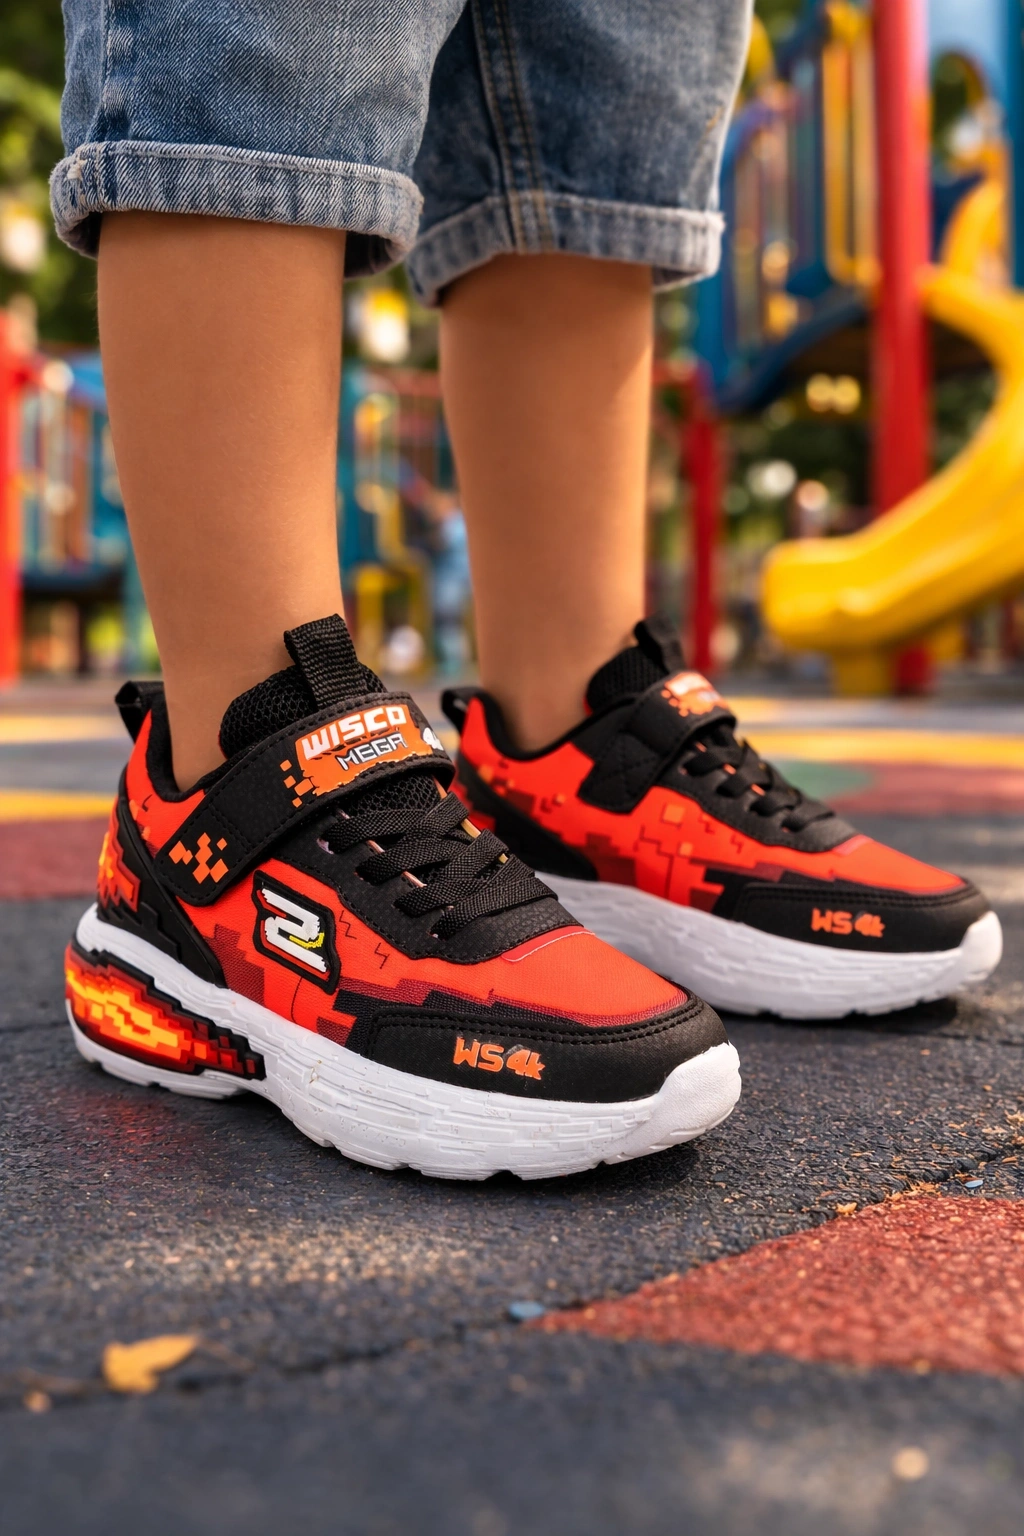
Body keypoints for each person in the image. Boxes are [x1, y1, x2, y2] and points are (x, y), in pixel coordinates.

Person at [54, 1, 999, 1181]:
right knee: (275, 45)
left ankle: (572, 743)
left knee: (600, 87)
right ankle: (228, 802)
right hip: (226, 828)